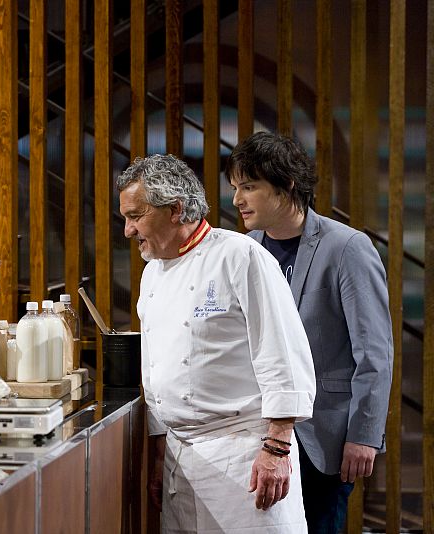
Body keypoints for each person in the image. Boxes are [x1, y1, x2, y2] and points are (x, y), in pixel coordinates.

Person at [117, 154, 316, 533]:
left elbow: (283, 354)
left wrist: (276, 449)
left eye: (136, 216)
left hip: (243, 456)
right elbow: (158, 367)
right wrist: (159, 455)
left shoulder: (240, 256)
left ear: (175, 209)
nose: (128, 230)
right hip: (179, 459)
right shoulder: (152, 272)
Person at [226, 131, 393, 533]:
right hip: (258, 433)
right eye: (234, 188)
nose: (237, 200)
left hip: (326, 435)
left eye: (249, 187)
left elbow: (374, 353)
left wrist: (365, 435)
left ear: (287, 185)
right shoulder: (245, 249)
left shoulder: (347, 247)